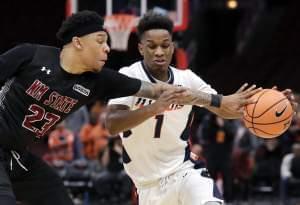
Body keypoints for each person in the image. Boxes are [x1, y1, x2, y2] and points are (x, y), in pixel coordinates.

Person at [0, 10, 192, 205]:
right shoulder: (31, 55)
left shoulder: (97, 81)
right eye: (100, 41)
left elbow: (155, 89)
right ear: (78, 42)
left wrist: (212, 99)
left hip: (16, 155)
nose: (107, 48)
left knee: (58, 196)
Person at [106, 11, 297, 205]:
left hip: (184, 172)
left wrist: (271, 104)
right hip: (147, 186)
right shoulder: (128, 76)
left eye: (165, 45)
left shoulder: (187, 78)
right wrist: (153, 108)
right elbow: (112, 124)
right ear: (140, 48)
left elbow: (224, 107)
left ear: (172, 47)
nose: (159, 52)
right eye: (152, 46)